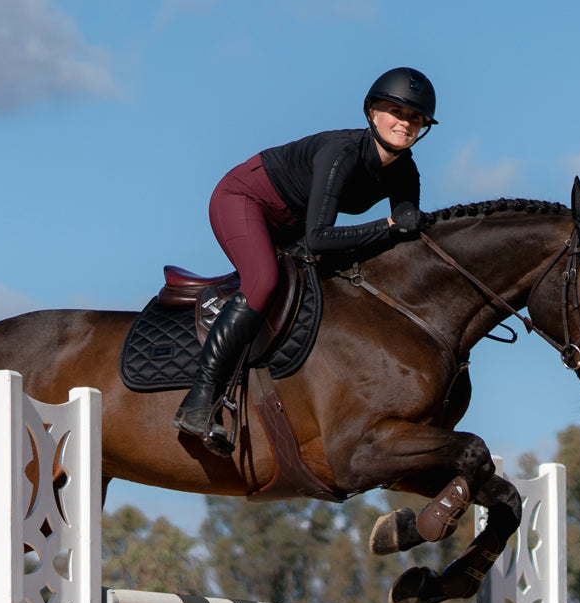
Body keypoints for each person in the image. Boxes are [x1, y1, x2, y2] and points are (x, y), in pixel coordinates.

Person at [172, 66, 438, 456]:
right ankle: (198, 399)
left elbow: (404, 230)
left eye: (415, 118)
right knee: (263, 280)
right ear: (372, 113)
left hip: (292, 221)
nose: (405, 123)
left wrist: (409, 224)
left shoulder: (405, 170)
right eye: (396, 112)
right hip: (244, 199)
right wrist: (388, 225)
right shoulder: (341, 153)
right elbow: (321, 238)